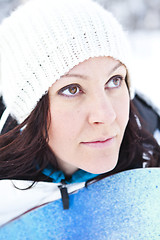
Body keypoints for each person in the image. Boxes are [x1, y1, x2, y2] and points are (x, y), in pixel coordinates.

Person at [0, 0, 159, 229]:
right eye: (72, 89)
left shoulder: (151, 156)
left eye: (114, 81)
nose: (106, 115)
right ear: (30, 109)